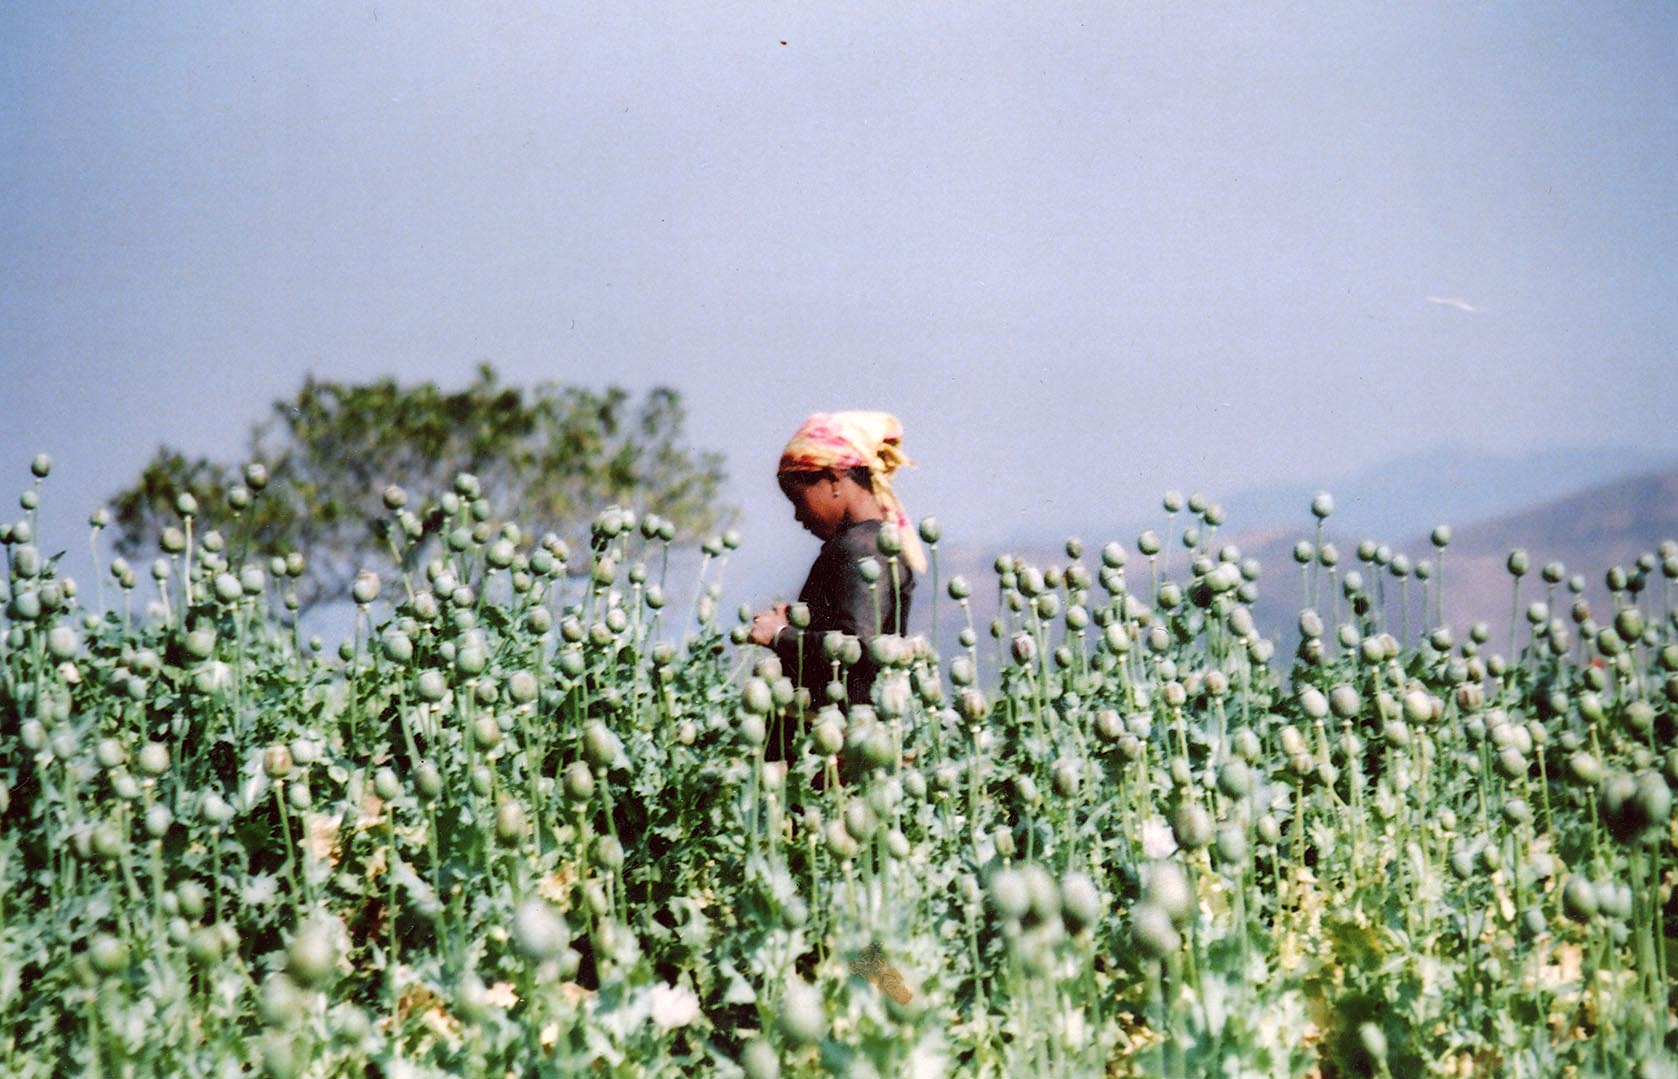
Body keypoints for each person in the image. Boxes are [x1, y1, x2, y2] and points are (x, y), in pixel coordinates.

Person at [747, 412, 926, 749]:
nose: (798, 516)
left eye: (799, 500)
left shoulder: (863, 547)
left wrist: (781, 636)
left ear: (833, 480)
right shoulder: (872, 542)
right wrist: (806, 619)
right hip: (848, 734)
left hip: (845, 743)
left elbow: (856, 646)